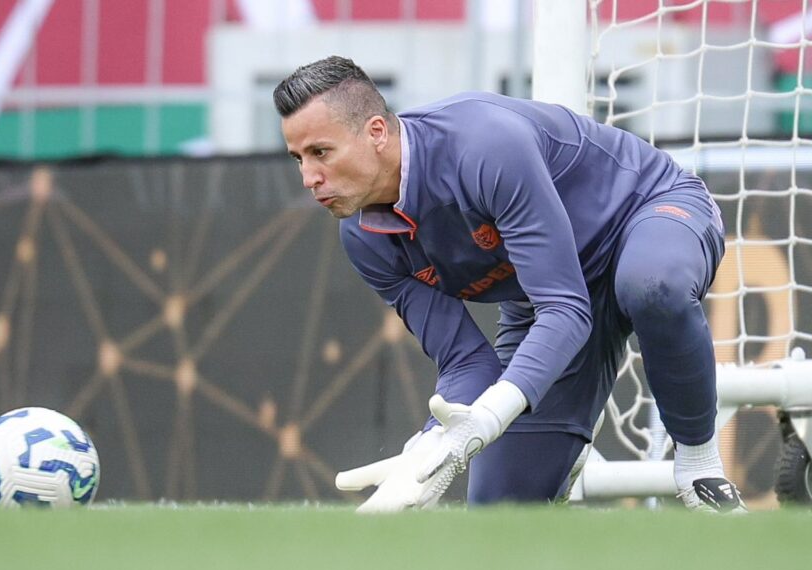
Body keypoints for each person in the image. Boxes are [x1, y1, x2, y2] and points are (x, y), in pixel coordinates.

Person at [274, 55, 745, 513]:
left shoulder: (483, 145)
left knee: (651, 285)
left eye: (321, 152)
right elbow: (465, 361)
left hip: (645, 215)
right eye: (298, 158)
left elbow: (565, 309)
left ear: (376, 132)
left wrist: (494, 413)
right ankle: (565, 444)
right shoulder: (363, 239)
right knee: (499, 515)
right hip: (546, 296)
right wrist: (431, 443)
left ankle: (699, 466)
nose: (309, 177)